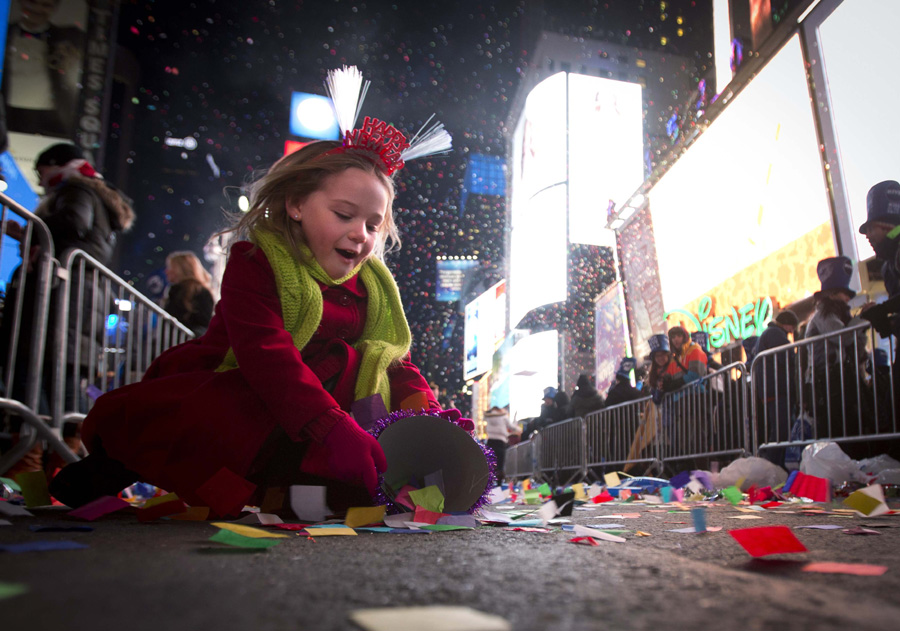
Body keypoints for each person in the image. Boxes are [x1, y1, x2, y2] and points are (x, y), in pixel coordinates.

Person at [50, 78, 466, 513]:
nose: (360, 234)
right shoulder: (257, 262)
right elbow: (267, 356)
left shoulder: (373, 288)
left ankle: (289, 490)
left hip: (313, 412)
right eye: (344, 214)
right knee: (169, 437)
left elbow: (394, 361)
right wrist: (330, 425)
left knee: (349, 460)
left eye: (372, 225)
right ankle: (101, 473)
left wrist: (430, 418)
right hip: (242, 394)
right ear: (296, 204)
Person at [0, 143, 134, 477]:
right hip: (79, 298)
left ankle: (30, 474)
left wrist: (31, 229)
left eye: (41, 171)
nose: (40, 180)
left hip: (59, 296)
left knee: (33, 379)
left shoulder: (75, 189)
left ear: (56, 165)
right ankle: (59, 476)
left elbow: (73, 223)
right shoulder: (95, 195)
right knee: (66, 383)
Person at [803, 256, 873, 451]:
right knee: (837, 429)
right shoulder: (823, 316)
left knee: (852, 425)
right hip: (827, 382)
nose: (848, 298)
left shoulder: (839, 316)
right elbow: (843, 337)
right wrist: (862, 319)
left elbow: (855, 345)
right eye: (844, 293)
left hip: (841, 379)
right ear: (832, 294)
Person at [3, 0, 85, 137]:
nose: (37, 9)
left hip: (50, 118)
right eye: (32, 2)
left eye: (46, 5)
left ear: (54, 8)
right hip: (7, 114)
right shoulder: (4, 32)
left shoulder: (69, 37)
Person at [858, 180, 900, 425]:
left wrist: (882, 310)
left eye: (870, 229)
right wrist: (885, 320)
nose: (867, 237)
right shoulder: (889, 262)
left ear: (886, 226)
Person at [752, 309, 799, 466]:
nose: (792, 331)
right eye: (792, 327)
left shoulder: (768, 334)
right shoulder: (775, 334)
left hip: (771, 389)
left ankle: (775, 464)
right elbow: (787, 357)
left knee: (779, 429)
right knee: (781, 430)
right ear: (786, 324)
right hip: (777, 389)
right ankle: (773, 465)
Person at [162, 251, 215, 336]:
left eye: (170, 267)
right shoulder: (204, 291)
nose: (166, 271)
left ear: (180, 269)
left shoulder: (178, 290)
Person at [484, 406, 519, 484]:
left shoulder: (488, 417)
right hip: (501, 442)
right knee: (500, 464)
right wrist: (518, 428)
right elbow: (512, 427)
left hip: (490, 441)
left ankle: (488, 483)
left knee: (490, 463)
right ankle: (499, 483)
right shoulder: (503, 416)